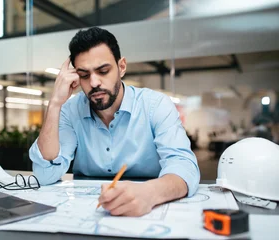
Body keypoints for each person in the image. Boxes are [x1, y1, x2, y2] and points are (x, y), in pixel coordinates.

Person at [29, 27, 200, 217]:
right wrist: (54, 104)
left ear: (122, 67)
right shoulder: (70, 110)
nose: (94, 82)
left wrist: (149, 193)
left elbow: (184, 167)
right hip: (87, 214)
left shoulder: (155, 105)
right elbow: (45, 175)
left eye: (103, 71)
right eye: (84, 75)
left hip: (150, 210)